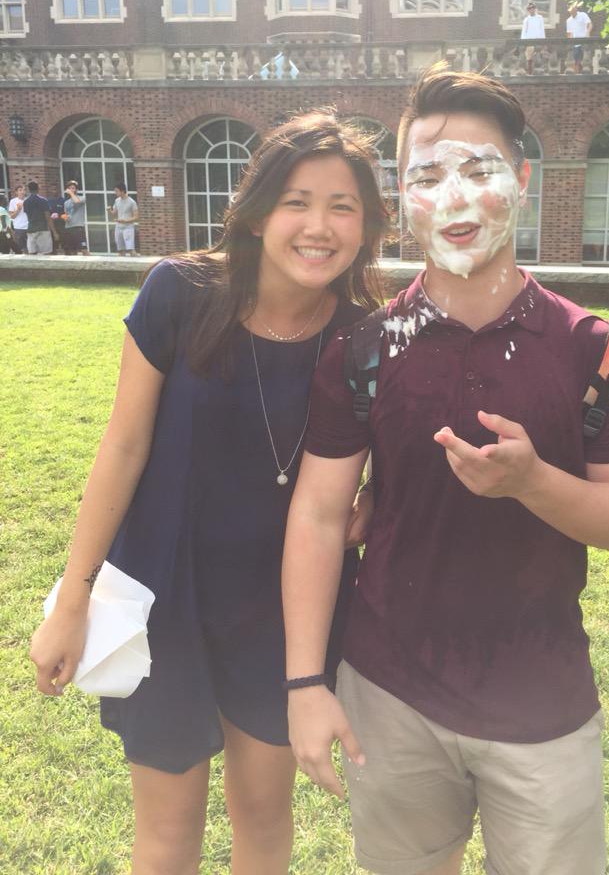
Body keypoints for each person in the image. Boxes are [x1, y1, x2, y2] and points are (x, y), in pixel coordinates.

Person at [283, 67, 609, 875]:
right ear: (403, 198)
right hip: (390, 694)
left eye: (479, 169)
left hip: (545, 704)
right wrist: (305, 684)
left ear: (522, 181)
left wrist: (534, 483)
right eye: (427, 175)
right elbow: (318, 517)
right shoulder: (363, 351)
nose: (455, 199)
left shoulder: (601, 351)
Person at [30, 112, 388, 875]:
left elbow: (410, 457)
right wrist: (72, 602)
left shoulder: (366, 339)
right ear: (257, 212)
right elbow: (122, 447)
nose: (317, 226)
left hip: (286, 610)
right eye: (297, 200)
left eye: (342, 206)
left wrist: (380, 500)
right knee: (167, 834)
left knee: (263, 817)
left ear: (367, 226)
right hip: (166, 596)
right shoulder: (180, 293)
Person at [24, 180, 58, 255]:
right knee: (45, 254)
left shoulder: (25, 201)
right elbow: (48, 218)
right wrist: (54, 232)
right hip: (43, 229)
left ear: (29, 190)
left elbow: (28, 215)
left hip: (31, 229)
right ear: (38, 188)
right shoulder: (43, 201)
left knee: (32, 253)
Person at [109, 182, 139, 256]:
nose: (115, 192)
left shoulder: (132, 202)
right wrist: (109, 210)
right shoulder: (117, 201)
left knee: (130, 249)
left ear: (122, 191)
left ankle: (135, 262)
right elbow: (114, 214)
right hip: (118, 227)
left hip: (128, 228)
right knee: (120, 250)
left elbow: (136, 217)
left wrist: (125, 221)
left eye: (117, 191)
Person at [62, 180, 89, 255]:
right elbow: (67, 214)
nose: (71, 190)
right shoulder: (66, 202)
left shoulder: (82, 198)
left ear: (76, 189)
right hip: (68, 228)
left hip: (78, 228)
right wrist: (65, 218)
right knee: (71, 251)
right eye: (70, 188)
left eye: (73, 188)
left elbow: (76, 201)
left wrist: (71, 193)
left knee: (84, 250)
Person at [566, 1, 593, 73]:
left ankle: (586, 77)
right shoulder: (568, 21)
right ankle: (576, 76)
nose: (571, 10)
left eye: (573, 8)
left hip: (584, 42)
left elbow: (590, 25)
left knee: (586, 61)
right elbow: (569, 33)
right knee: (575, 62)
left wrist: (587, 33)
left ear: (576, 8)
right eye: (570, 9)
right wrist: (570, 42)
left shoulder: (583, 15)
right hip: (575, 44)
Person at [520, 1, 546, 75]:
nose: (531, 9)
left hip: (538, 41)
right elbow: (524, 32)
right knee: (529, 59)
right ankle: (530, 73)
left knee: (538, 58)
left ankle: (538, 73)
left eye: (533, 8)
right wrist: (523, 42)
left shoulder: (540, 18)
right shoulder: (526, 20)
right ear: (528, 10)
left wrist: (543, 41)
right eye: (529, 8)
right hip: (529, 42)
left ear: (535, 8)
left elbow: (542, 30)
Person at [47, 187, 68, 254]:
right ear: (50, 190)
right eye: (53, 189)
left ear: (58, 191)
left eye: (55, 189)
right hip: (52, 226)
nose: (54, 191)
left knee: (65, 244)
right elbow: (46, 214)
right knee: (53, 246)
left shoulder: (63, 200)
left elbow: (67, 213)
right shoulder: (48, 201)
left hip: (62, 225)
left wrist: (61, 216)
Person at [9, 184, 28, 253]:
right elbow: (12, 216)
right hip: (19, 227)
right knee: (20, 248)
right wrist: (18, 209)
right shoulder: (13, 201)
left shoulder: (28, 200)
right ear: (16, 192)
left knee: (30, 248)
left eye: (24, 190)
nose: (22, 192)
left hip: (29, 227)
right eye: (20, 190)